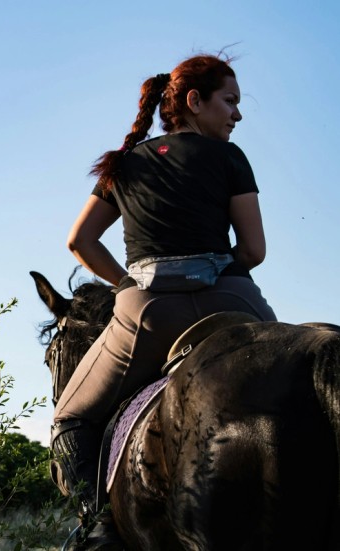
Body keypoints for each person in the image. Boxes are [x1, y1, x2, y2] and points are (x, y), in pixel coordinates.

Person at [50, 54, 277, 550]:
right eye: (230, 102)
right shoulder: (231, 158)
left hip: (149, 312)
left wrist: (126, 286)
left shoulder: (123, 164)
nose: (237, 115)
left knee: (71, 419)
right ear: (194, 102)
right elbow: (254, 252)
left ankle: (100, 525)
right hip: (233, 302)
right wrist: (219, 271)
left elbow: (80, 242)